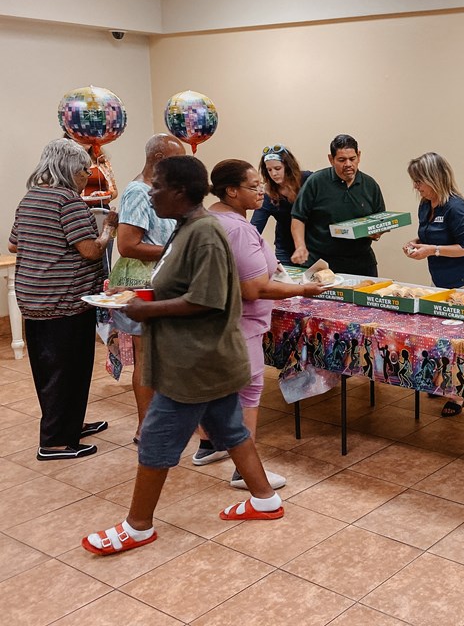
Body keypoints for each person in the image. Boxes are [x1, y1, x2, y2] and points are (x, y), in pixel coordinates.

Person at [82, 156, 284, 555]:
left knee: (156, 440)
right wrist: (142, 296)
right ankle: (265, 499)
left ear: (178, 192)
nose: (150, 194)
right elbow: (181, 285)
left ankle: (138, 526)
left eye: (157, 188)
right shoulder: (184, 230)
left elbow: (207, 300)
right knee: (231, 430)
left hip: (195, 362)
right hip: (201, 359)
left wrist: (145, 309)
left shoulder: (205, 233)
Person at [205, 159, 325, 487]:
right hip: (241, 325)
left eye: (261, 185)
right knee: (248, 394)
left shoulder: (207, 218)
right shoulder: (239, 229)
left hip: (215, 323)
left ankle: (208, 447)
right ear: (231, 191)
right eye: (253, 186)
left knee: (219, 392)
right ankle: (245, 471)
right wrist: (305, 288)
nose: (261, 191)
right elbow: (253, 288)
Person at [8, 138, 118, 460]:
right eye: (85, 168)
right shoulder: (68, 201)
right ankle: (55, 442)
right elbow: (90, 250)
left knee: (51, 370)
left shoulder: (31, 198)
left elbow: (15, 244)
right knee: (69, 369)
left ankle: (69, 425)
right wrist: (108, 228)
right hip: (64, 301)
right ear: (71, 169)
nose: (88, 174)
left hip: (34, 299)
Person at [112, 133, 186, 443]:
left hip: (161, 281)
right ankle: (146, 429)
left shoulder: (158, 191)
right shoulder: (138, 193)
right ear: (159, 161)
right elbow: (128, 245)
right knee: (146, 359)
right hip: (142, 283)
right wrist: (178, 249)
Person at [291, 134, 386, 275]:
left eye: (352, 159)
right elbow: (298, 217)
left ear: (359, 156)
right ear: (331, 159)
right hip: (321, 263)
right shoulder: (316, 182)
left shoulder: (370, 185)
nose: (348, 164)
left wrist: (376, 231)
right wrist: (300, 247)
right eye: (342, 160)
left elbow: (381, 219)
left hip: (361, 262)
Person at [403, 152, 464, 289]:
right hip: (439, 278)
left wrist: (432, 250)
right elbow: (435, 235)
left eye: (418, 182)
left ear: (433, 179)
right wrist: (415, 243)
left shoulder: (456, 207)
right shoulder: (425, 204)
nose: (415, 187)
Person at [250, 144, 312, 264]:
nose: (273, 174)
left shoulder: (308, 179)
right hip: (285, 249)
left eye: (277, 169)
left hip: (314, 245)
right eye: (269, 170)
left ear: (288, 167)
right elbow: (256, 227)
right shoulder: (268, 193)